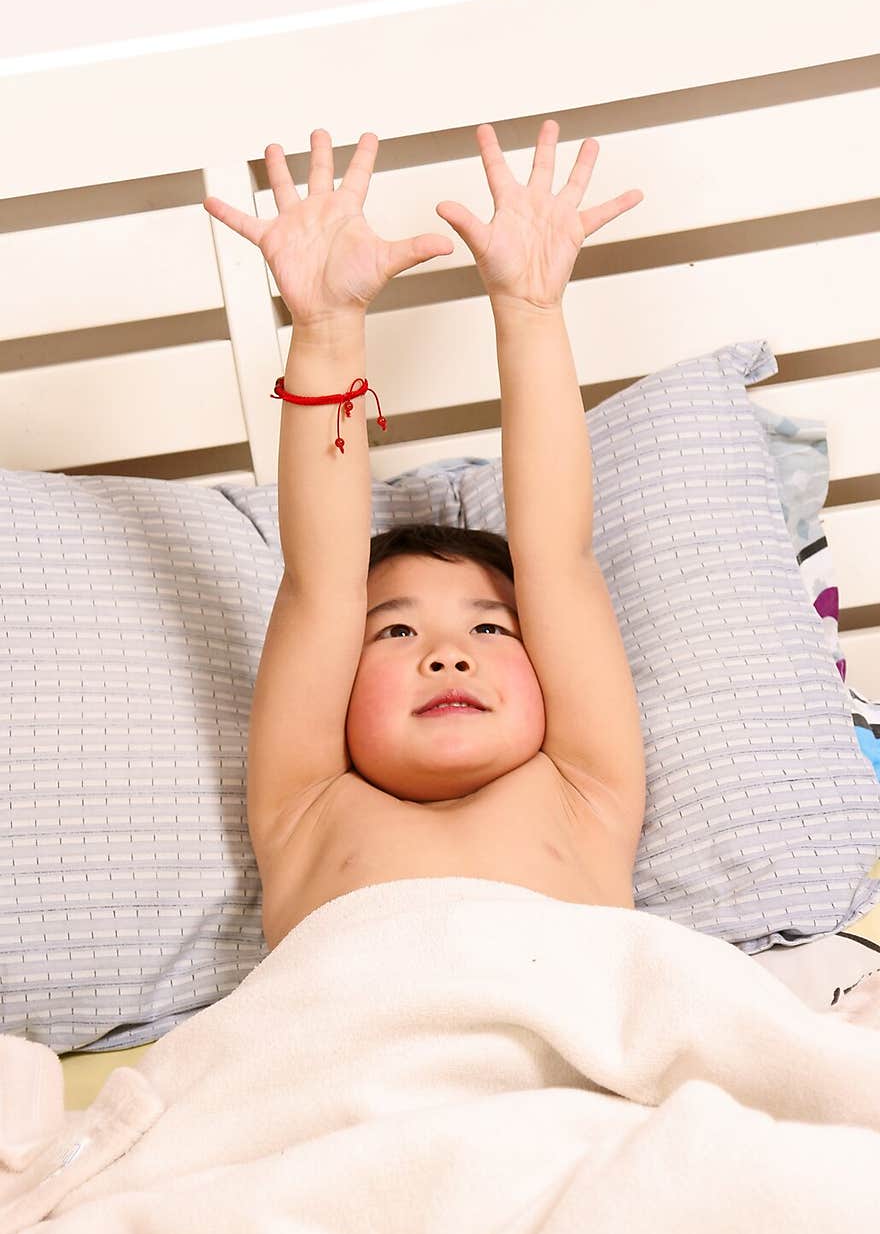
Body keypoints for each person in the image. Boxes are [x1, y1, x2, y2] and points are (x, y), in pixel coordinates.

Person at [204, 120, 647, 950]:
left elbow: (558, 555)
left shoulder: (585, 791)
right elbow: (320, 581)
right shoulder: (305, 810)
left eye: (490, 625)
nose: (447, 655)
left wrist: (530, 309)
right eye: (396, 629)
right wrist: (325, 330)